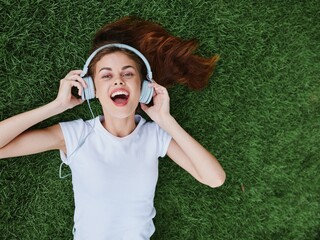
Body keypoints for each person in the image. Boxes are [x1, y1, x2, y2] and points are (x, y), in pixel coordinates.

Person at [0, 16, 225, 240]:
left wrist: (166, 120)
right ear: (91, 89)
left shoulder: (154, 136)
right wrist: (56, 106)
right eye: (106, 75)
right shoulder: (77, 135)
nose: (118, 81)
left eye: (128, 73)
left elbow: (214, 178)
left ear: (144, 88)